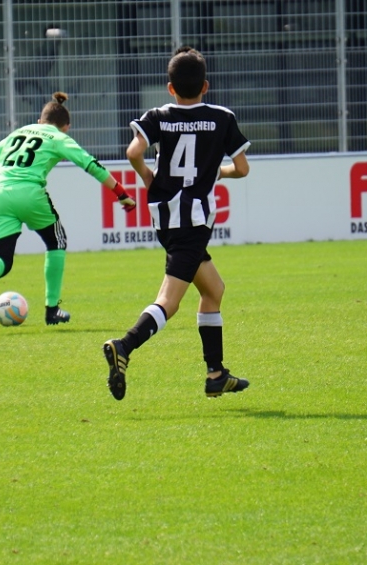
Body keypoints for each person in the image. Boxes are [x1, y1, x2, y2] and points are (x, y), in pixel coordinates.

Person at [102, 46, 251, 400]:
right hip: (194, 221)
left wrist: (147, 176)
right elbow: (242, 169)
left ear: (170, 88)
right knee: (169, 301)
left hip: (167, 218)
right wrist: (216, 172)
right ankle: (124, 346)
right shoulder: (222, 118)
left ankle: (216, 374)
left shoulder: (158, 115)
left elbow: (133, 152)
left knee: (213, 289)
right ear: (206, 86)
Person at [0, 91, 136, 325]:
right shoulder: (58, 137)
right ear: (66, 127)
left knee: (2, 259)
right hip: (29, 192)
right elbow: (90, 164)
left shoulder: (18, 132)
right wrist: (120, 192)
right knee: (56, 241)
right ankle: (52, 310)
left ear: (40, 120)